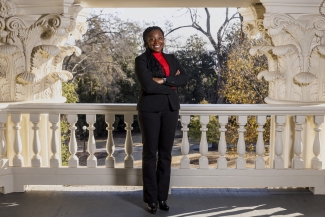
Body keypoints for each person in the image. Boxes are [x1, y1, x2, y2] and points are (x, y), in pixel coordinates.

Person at [135, 26, 188, 214]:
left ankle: (162, 197)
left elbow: (185, 79)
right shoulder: (141, 60)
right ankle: (151, 200)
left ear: (164, 39)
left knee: (165, 154)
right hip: (149, 110)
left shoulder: (172, 59)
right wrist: (172, 82)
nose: (156, 41)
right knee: (150, 154)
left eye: (160, 38)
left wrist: (164, 80)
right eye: (152, 38)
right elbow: (148, 86)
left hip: (170, 110)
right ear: (146, 41)